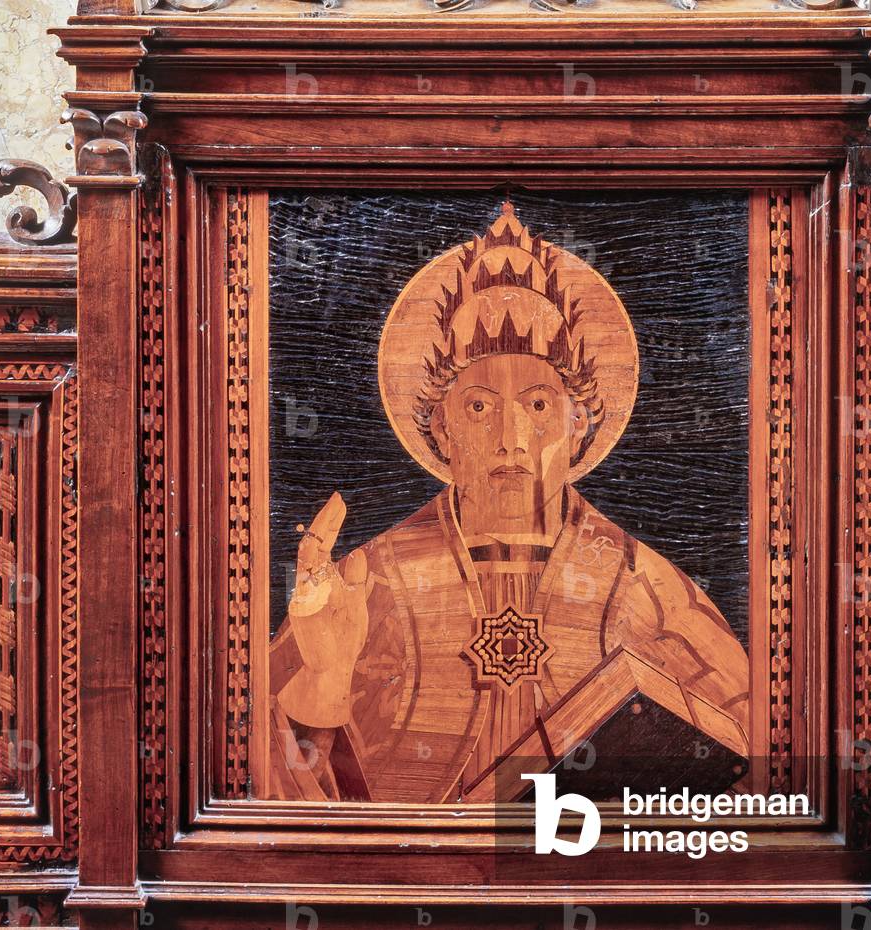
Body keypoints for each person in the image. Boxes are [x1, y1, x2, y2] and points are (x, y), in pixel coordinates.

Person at [267, 203, 749, 803]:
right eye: (478, 406)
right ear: (439, 429)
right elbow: (262, 786)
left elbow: (758, 760)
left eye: (540, 404)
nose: (511, 438)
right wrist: (324, 681)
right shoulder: (366, 585)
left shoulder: (644, 588)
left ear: (580, 424)